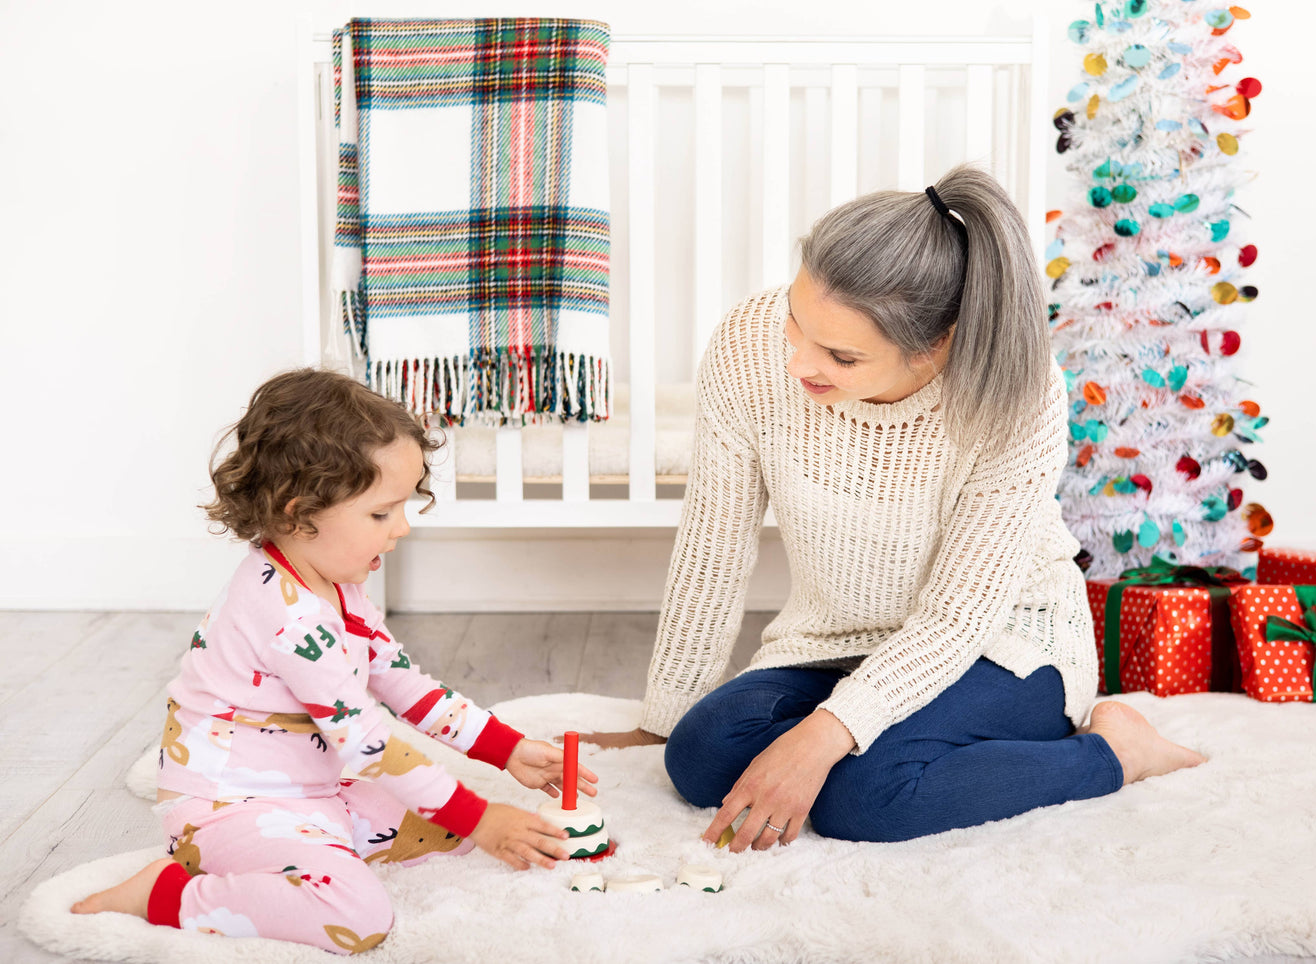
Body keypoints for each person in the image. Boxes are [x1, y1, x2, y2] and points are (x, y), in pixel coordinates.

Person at [583, 164, 1204, 850]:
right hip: (838, 640)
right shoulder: (748, 346)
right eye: (794, 323)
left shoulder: (1017, 395)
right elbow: (714, 544)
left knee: (867, 801)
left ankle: (1113, 753)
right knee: (698, 758)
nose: (796, 364)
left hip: (999, 642)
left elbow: (958, 615)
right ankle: (868, 732)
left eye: (840, 357)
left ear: (935, 347)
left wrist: (823, 737)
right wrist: (664, 715)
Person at [72, 369, 597, 955]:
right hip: (229, 805)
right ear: (300, 515)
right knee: (358, 913)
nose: (401, 529)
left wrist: (505, 748)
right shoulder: (287, 615)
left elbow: (400, 681)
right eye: (380, 514)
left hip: (315, 788)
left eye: (403, 508)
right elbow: (367, 740)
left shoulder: (336, 583)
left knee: (448, 832)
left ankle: (331, 838)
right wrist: (480, 816)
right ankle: (163, 894)